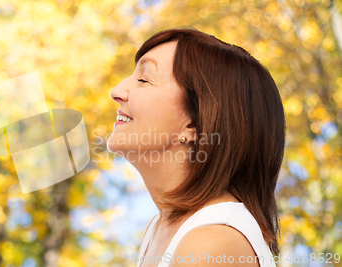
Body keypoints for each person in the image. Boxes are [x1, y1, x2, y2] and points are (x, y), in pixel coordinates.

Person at [107, 28, 284, 267]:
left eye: (143, 79)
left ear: (194, 123)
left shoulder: (211, 242)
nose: (116, 91)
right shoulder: (161, 228)